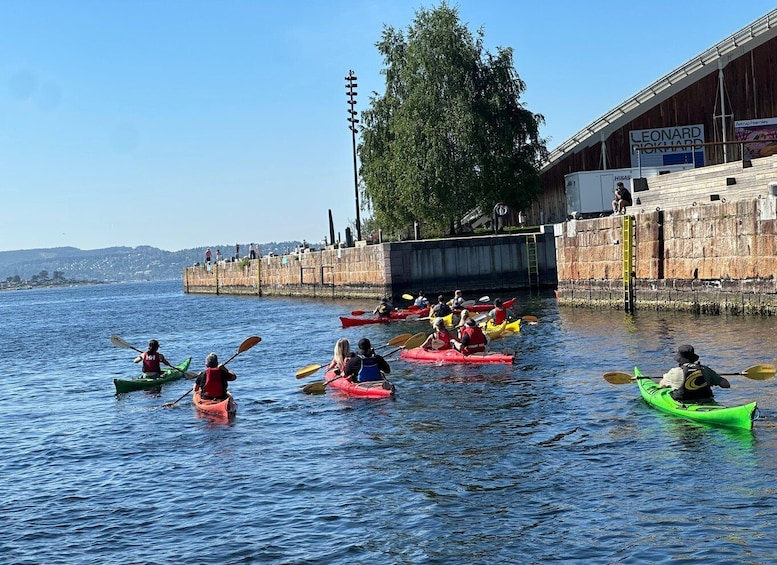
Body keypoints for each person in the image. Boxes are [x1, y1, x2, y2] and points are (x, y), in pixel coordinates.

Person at [658, 344, 730, 402]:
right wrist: (713, 380)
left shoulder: (674, 372)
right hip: (706, 400)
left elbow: (661, 385)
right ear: (693, 358)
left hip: (683, 402)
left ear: (679, 359)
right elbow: (726, 385)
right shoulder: (705, 369)